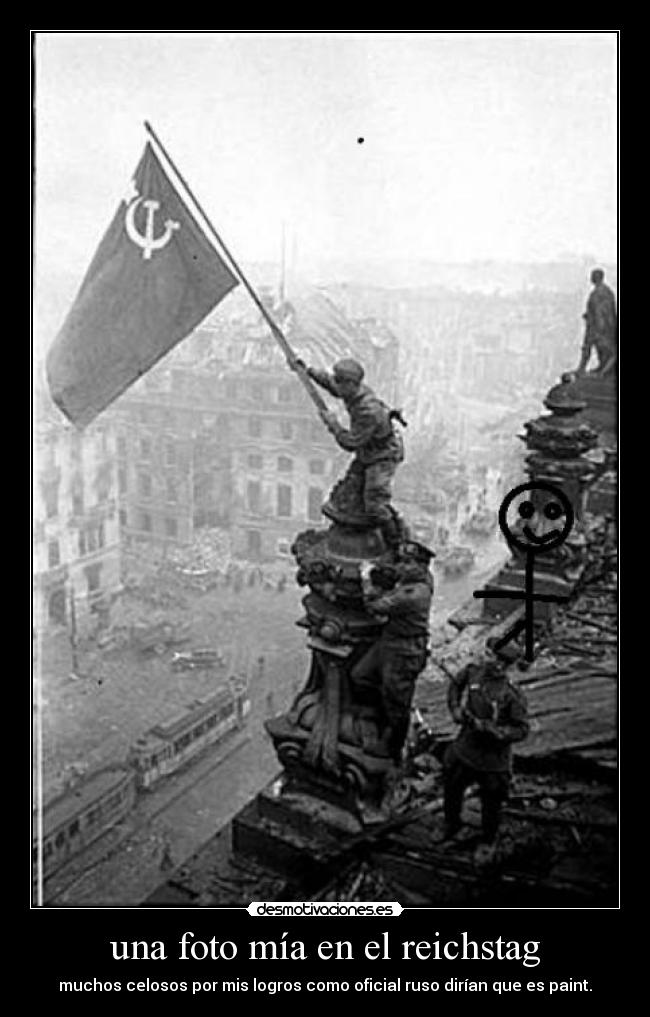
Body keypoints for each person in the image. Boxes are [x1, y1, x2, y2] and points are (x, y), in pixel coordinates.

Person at [290, 356, 405, 545]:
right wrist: (308, 370)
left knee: (374, 503)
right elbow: (331, 384)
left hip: (382, 456)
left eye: (340, 381)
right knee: (350, 488)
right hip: (368, 451)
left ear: (351, 384)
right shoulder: (353, 391)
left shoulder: (367, 411)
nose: (336, 384)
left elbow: (350, 442)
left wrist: (332, 424)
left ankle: (396, 540)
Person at [352, 540, 434, 765]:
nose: (402, 567)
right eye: (402, 561)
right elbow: (396, 575)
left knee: (397, 702)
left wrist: (366, 578)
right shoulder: (420, 578)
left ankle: (392, 749)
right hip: (391, 641)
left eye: (408, 563)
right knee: (360, 675)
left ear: (421, 566)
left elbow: (374, 606)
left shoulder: (413, 594)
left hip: (403, 651)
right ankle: (376, 717)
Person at [443, 640, 529, 845]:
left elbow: (522, 729)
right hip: (465, 749)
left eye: (495, 658)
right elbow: (455, 686)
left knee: (492, 804)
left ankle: (488, 840)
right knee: (452, 789)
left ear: (505, 665)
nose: (490, 660)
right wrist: (455, 708)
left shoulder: (512, 694)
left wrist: (496, 731)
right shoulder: (474, 672)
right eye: (489, 654)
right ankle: (451, 825)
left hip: (493, 760)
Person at [576, 268, 617, 376]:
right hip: (595, 325)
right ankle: (587, 368)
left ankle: (602, 370)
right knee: (590, 347)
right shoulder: (601, 292)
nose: (591, 278)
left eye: (594, 276)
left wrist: (601, 326)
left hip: (599, 327)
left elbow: (604, 311)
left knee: (603, 348)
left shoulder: (602, 292)